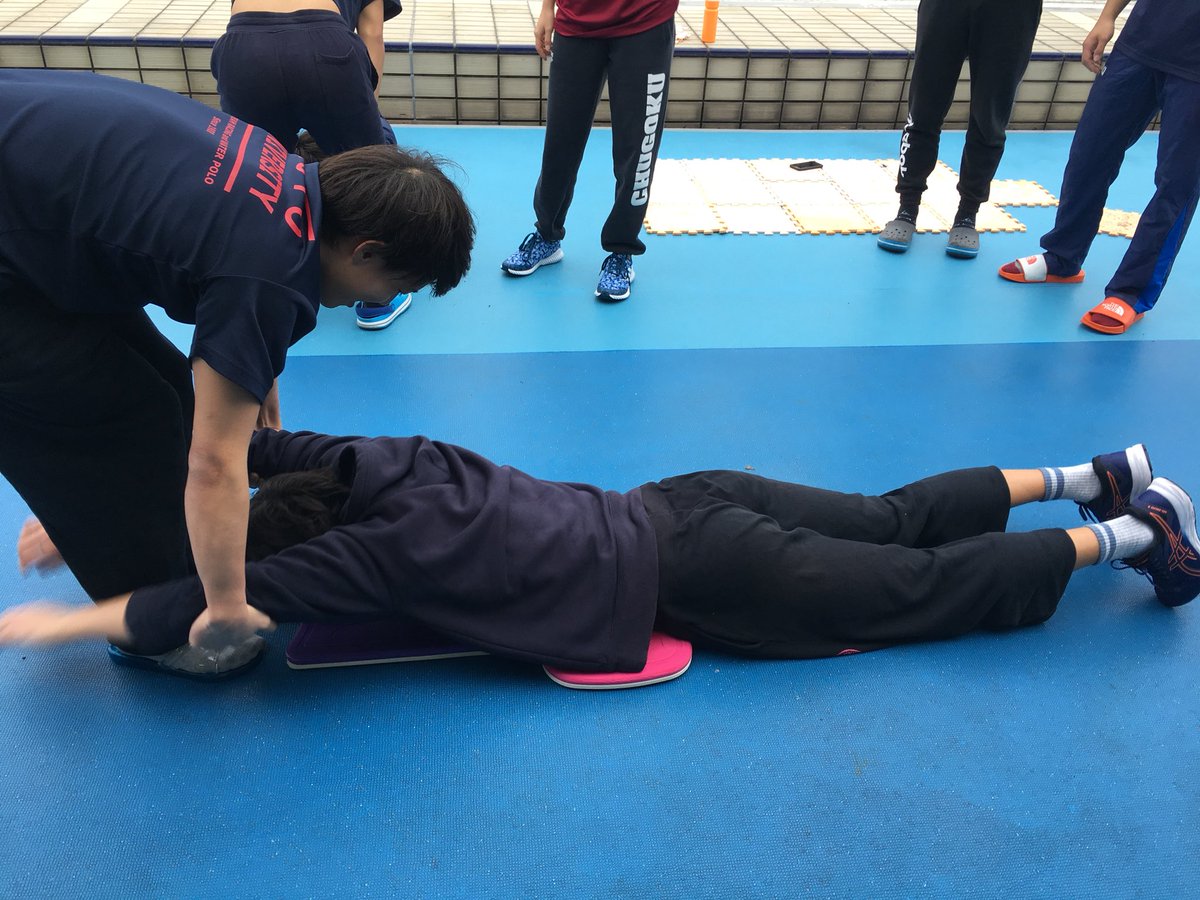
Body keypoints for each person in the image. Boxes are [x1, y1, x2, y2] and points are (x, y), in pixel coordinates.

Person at [4, 432, 1196, 678]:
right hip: (685, 495)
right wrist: (100, 504)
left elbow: (192, 609)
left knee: (914, 592)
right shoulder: (382, 461)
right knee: (888, 517)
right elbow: (241, 448)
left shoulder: (354, 561)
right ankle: (1092, 472)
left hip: (703, 576)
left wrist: (62, 621)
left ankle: (1135, 535)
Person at [0, 70, 474, 675]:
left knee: (167, 389)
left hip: (30, 218)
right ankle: (155, 634)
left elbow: (236, 277)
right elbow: (215, 463)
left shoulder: (285, 174)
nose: (382, 297)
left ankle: (95, 515)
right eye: (394, 285)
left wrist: (258, 370)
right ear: (365, 251)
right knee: (104, 417)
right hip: (17, 246)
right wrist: (225, 607)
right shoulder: (268, 272)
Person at [999, 0, 1200, 334]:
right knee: (1089, 153)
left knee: (1176, 183)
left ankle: (1130, 293)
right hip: (1140, 44)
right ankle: (1063, 256)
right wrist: (1108, 16)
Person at [211, 0, 411, 330]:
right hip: (326, 46)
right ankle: (378, 297)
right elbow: (371, 32)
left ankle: (270, 291)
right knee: (371, 171)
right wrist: (367, 110)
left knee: (259, 176)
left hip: (244, 47)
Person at [500, 0, 678, 303]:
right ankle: (546, 235)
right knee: (560, 141)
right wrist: (547, 8)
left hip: (646, 21)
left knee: (637, 150)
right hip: (577, 20)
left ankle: (621, 251)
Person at [877, 0, 1044, 258]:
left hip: (1013, 9)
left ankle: (968, 213)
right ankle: (907, 208)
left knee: (990, 118)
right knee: (923, 108)